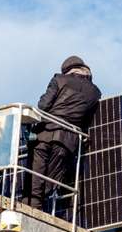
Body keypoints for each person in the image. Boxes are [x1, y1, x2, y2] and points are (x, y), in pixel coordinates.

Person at [25, 55, 101, 211]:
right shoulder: (95, 92)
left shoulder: (59, 79)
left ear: (67, 70)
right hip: (67, 141)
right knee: (51, 179)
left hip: (44, 134)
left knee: (35, 175)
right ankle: (37, 210)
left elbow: (43, 105)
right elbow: (87, 121)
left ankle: (31, 210)